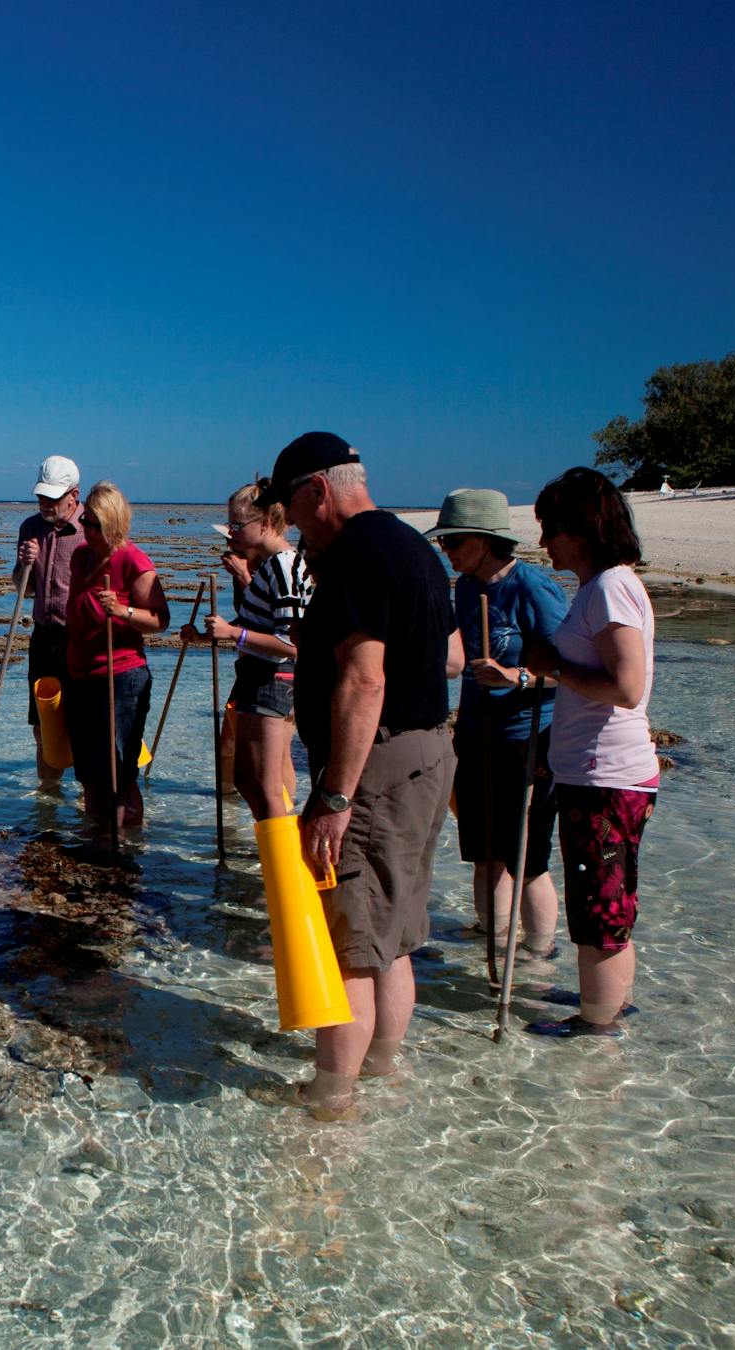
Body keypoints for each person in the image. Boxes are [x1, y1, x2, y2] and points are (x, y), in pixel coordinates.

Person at [264, 432, 464, 1115]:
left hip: (375, 767)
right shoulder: (414, 548)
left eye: (292, 509)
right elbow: (445, 660)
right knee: (396, 933)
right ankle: (382, 1066)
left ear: (318, 489)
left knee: (348, 942)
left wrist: (335, 794)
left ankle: (331, 1098)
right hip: (428, 751)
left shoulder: (355, 554)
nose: (292, 527)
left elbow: (362, 679)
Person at [520, 468, 657, 1037]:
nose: (545, 542)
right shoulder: (604, 586)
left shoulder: (609, 587)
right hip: (601, 771)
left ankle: (596, 1022)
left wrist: (552, 666)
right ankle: (607, 999)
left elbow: (627, 687)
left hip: (607, 776)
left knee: (599, 904)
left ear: (581, 529)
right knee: (609, 895)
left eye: (551, 529)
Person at [427, 488, 569, 963]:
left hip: (526, 741)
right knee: (484, 853)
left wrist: (519, 677)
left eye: (454, 543)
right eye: (444, 543)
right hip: (474, 736)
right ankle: (490, 939)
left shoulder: (533, 589)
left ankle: (537, 956)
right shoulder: (466, 587)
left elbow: (575, 672)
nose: (446, 552)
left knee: (526, 858)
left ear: (486, 540)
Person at [180, 478, 312, 820]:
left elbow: (291, 644)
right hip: (255, 676)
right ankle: (268, 859)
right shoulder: (270, 565)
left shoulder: (283, 565)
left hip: (272, 680)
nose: (231, 532)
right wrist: (208, 636)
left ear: (266, 523)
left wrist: (232, 632)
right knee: (246, 779)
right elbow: (258, 625)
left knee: (263, 784)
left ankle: (285, 868)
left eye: (237, 524)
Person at [63, 482, 170, 834]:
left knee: (119, 773)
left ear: (113, 523)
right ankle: (95, 838)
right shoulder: (81, 556)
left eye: (94, 524)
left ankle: (126, 847)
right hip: (80, 677)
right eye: (85, 521)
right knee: (89, 771)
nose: (86, 530)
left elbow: (160, 620)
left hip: (121, 678)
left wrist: (123, 612)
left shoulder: (133, 561)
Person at [14, 455, 85, 785]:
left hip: (82, 639)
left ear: (74, 494)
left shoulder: (90, 529)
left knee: (83, 722)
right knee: (42, 723)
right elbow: (24, 590)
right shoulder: (30, 528)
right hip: (44, 637)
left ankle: (90, 798)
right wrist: (24, 564)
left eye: (53, 498)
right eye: (41, 496)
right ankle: (48, 796)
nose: (45, 503)